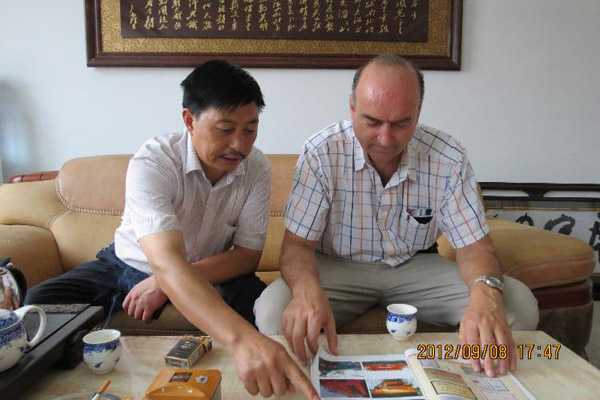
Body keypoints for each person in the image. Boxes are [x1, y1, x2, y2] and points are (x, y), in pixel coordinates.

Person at [26, 60, 319, 399]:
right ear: (189, 120)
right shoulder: (154, 162)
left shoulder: (256, 168)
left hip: (210, 270)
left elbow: (247, 256)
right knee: (40, 305)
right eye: (225, 129)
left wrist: (164, 282)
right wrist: (168, 278)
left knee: (260, 305)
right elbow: (165, 261)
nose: (239, 145)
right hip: (128, 264)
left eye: (250, 130)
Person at [254, 54, 539, 378]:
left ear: (418, 113)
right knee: (272, 312)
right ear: (352, 109)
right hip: (336, 267)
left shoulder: (448, 157)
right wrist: (306, 291)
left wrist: (485, 293)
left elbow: (474, 246)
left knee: (519, 305)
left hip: (416, 265)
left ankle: (471, 383)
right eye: (372, 122)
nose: (386, 139)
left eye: (401, 124)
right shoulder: (321, 152)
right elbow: (297, 246)